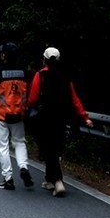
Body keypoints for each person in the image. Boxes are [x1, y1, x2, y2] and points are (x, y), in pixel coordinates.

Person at [28, 46, 93, 197]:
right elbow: (74, 99)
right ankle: (50, 180)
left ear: (44, 60)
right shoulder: (65, 76)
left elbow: (32, 98)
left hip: (45, 117)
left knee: (47, 149)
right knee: (54, 149)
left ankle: (58, 181)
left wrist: (30, 110)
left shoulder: (41, 75)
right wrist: (84, 117)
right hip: (61, 118)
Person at [0, 42, 33, 190]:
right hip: (19, 115)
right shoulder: (25, 74)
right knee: (19, 142)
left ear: (4, 56)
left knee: (2, 147)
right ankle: (23, 167)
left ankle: (8, 178)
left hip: (1, 115)